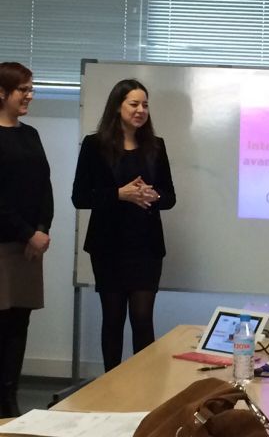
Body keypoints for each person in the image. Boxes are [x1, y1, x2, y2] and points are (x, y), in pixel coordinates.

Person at [72, 79, 176, 372]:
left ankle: (144, 385)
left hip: (146, 247)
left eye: (145, 105)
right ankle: (112, 385)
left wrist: (152, 196)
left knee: (142, 319)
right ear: (118, 107)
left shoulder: (156, 146)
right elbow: (80, 197)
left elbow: (169, 197)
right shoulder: (94, 145)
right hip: (109, 246)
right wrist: (120, 194)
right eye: (134, 104)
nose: (141, 110)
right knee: (113, 318)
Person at [0, 62, 53, 417]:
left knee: (20, 324)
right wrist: (27, 233)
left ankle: (9, 400)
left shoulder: (30, 134)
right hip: (5, 244)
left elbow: (44, 187)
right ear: (2, 92)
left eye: (31, 88)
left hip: (30, 247)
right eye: (23, 89)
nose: (29, 95)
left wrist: (42, 230)